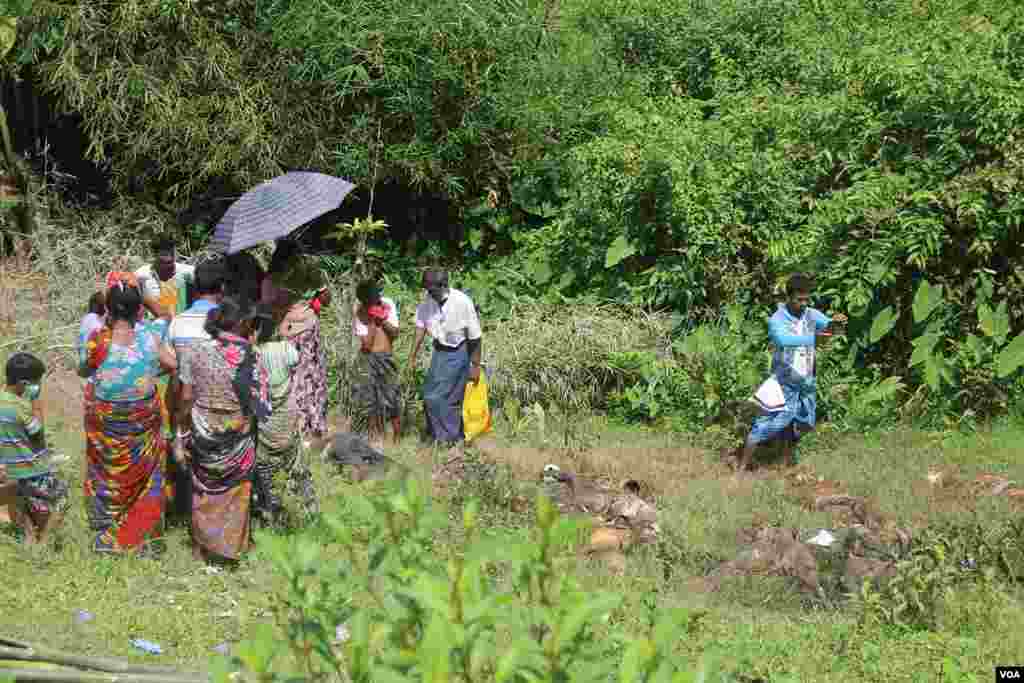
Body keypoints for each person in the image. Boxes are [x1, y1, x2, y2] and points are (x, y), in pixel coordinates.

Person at [80, 273, 177, 553]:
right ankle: (142, 537)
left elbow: (83, 369)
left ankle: (107, 536)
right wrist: (139, 292)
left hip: (106, 421)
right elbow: (166, 317)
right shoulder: (150, 336)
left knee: (107, 471)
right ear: (139, 309)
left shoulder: (98, 339)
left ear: (108, 309)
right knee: (146, 474)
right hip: (142, 420)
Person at [178, 298, 270, 562]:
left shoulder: (194, 350)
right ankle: (232, 548)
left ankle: (200, 548)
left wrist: (183, 429)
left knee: (202, 488)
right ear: (241, 323)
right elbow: (261, 405)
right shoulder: (252, 354)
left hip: (202, 429)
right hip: (237, 435)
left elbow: (185, 398)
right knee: (237, 489)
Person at [734, 273, 848, 472]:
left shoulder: (811, 314)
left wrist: (836, 324)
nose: (803, 304)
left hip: (806, 381)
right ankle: (742, 467)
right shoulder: (777, 319)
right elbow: (783, 341)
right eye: (799, 299)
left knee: (804, 422)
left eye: (806, 299)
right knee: (765, 424)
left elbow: (829, 328)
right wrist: (813, 340)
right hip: (783, 381)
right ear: (788, 297)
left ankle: (784, 460)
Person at [165, 258, 227, 520]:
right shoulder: (228, 323)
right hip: (220, 410)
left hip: (186, 408)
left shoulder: (178, 322)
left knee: (188, 461)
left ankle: (185, 506)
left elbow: (171, 366)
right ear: (222, 287)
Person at [251, 304, 318, 526]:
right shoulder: (286, 350)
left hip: (266, 418)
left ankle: (270, 510)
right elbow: (295, 359)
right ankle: (308, 510)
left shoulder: (254, 353)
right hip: (287, 414)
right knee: (295, 461)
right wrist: (285, 333)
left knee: (266, 464)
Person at [409, 270, 483, 454]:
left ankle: (449, 441)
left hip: (459, 352)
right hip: (439, 352)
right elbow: (420, 328)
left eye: (431, 289)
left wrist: (475, 365)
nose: (428, 293)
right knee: (428, 395)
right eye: (427, 289)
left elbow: (475, 337)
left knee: (445, 398)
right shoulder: (428, 303)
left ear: (443, 286)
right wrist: (412, 356)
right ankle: (440, 436)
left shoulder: (462, 302)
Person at [262, 240, 328, 443]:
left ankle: (300, 428)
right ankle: (308, 426)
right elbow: (325, 300)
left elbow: (268, 308)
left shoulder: (273, 279)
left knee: (295, 380)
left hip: (291, 332)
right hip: (305, 330)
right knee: (308, 378)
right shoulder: (302, 274)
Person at [0, 353, 68, 545]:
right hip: (30, 471)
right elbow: (38, 435)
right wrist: (36, 405)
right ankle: (44, 544)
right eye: (36, 383)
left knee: (20, 504)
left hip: (10, 472)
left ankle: (29, 540)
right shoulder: (21, 405)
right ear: (23, 384)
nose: (38, 387)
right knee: (62, 497)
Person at [353, 280, 401, 448]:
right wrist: (373, 321)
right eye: (374, 297)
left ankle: (396, 439)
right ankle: (375, 438)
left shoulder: (388, 304)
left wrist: (383, 319)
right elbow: (366, 345)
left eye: (378, 295)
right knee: (370, 400)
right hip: (368, 358)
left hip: (386, 357)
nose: (378, 298)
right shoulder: (359, 312)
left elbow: (395, 334)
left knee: (392, 398)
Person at [136, 235, 195, 320]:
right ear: (155, 255)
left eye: (172, 253)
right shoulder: (142, 275)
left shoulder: (189, 273)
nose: (169, 257)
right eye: (164, 254)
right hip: (154, 327)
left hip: (181, 325)